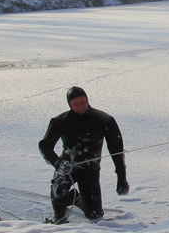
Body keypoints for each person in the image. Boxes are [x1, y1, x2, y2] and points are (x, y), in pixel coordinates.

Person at [39, 86, 129, 223]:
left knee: (95, 215)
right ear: (70, 104)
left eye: (83, 102)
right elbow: (45, 146)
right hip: (67, 166)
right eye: (76, 104)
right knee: (59, 194)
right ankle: (61, 211)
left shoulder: (104, 120)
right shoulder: (60, 121)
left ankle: (77, 199)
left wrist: (121, 177)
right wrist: (57, 163)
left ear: (87, 100)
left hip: (90, 169)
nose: (81, 106)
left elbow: (116, 151)